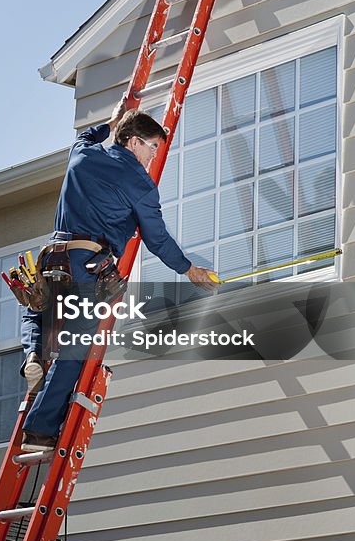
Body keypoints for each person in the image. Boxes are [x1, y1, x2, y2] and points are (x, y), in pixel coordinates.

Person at [20, 106, 219, 452]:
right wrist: (189, 270)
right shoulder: (138, 183)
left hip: (52, 257)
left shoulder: (82, 153)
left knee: (35, 312)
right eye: (153, 147)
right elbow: (157, 239)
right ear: (134, 142)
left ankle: (32, 355)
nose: (154, 156)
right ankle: (40, 429)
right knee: (75, 350)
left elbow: (87, 135)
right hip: (85, 264)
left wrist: (109, 123)